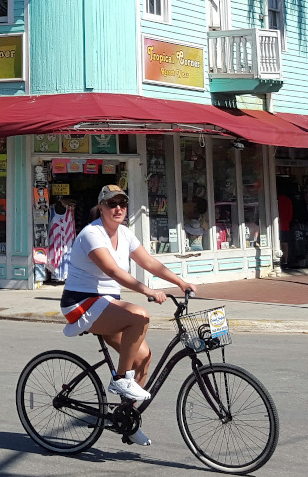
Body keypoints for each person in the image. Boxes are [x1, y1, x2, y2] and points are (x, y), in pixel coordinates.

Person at [59, 184, 196, 446]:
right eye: (112, 204)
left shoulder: (124, 233)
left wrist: (180, 282)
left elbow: (150, 262)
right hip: (81, 303)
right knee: (139, 316)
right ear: (101, 208)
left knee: (143, 358)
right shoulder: (92, 234)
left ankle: (126, 418)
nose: (118, 208)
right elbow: (112, 271)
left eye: (122, 203)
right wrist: (146, 290)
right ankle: (120, 380)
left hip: (107, 304)